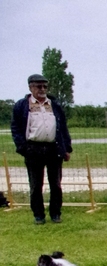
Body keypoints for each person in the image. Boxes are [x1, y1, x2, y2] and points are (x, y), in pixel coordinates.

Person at [11, 74, 72, 225]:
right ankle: (39, 215)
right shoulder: (22, 106)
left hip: (53, 149)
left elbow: (63, 128)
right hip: (33, 149)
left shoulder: (54, 105)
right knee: (36, 185)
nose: (42, 89)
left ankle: (55, 214)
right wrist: (23, 147)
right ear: (30, 87)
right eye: (39, 86)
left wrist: (67, 148)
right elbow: (16, 128)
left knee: (56, 184)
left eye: (45, 86)